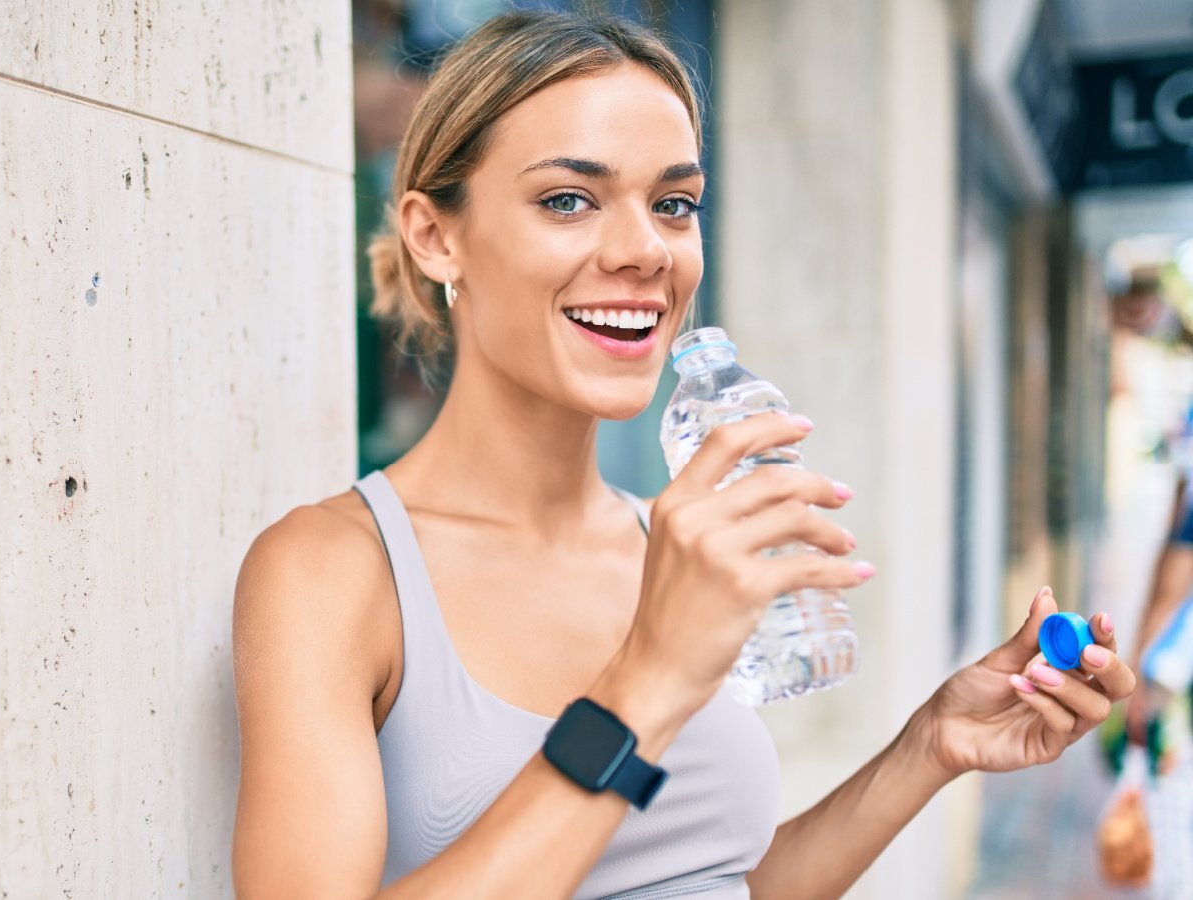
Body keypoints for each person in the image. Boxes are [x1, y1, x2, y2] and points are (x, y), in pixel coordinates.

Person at [230, 11, 1135, 899]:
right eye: (568, 200)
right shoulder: (332, 574)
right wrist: (646, 683)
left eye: (674, 204)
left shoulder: (667, 547)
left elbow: (715, 885)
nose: (644, 251)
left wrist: (929, 747)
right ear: (435, 235)